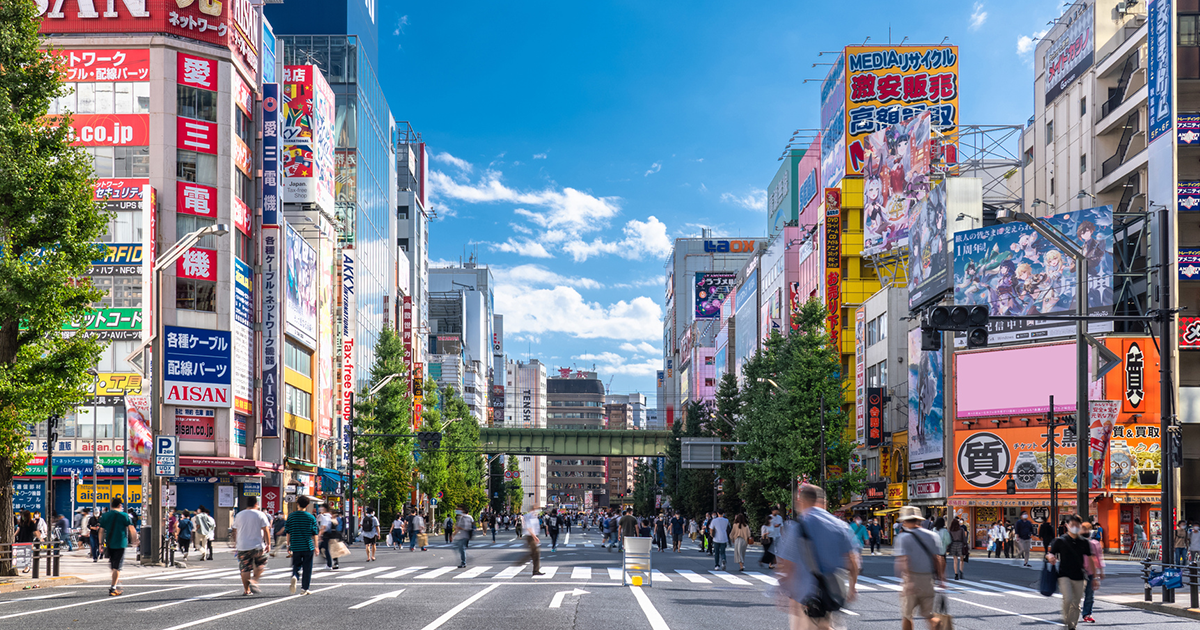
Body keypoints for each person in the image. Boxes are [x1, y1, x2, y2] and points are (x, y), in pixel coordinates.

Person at [776, 485, 860, 630]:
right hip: (830, 593)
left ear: (801, 501)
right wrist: (852, 587)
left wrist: (783, 589)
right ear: (821, 502)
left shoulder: (796, 527)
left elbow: (787, 565)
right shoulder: (840, 525)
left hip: (804, 597)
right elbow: (853, 561)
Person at [894, 506, 945, 630]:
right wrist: (942, 579)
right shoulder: (932, 535)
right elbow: (938, 558)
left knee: (907, 615)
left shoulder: (903, 537)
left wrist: (907, 580)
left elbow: (904, 560)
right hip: (928, 580)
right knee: (928, 614)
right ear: (919, 520)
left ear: (905, 521)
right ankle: (936, 623)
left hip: (911, 579)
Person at [1047, 514, 1092, 630]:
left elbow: (1091, 559)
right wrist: (1050, 557)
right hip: (1064, 575)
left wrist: (1095, 576)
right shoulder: (1060, 541)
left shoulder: (1084, 542)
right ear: (1067, 525)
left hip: (1080, 576)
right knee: (1068, 599)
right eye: (1072, 525)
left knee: (1076, 604)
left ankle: (1072, 626)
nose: (1075, 527)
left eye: (1077, 525)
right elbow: (1050, 553)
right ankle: (1066, 618)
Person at [231, 496, 272, 596]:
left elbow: (234, 530)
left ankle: (246, 590)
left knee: (245, 568)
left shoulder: (239, 515)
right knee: (262, 562)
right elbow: (266, 530)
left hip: (242, 546)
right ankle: (254, 580)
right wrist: (268, 544)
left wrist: (235, 543)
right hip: (257, 545)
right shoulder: (260, 514)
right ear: (256, 504)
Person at [98, 496, 137, 596]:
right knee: (117, 567)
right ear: (120, 505)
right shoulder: (124, 516)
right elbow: (131, 529)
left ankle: (115, 581)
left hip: (109, 543)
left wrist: (100, 544)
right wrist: (134, 541)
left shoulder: (105, 516)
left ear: (111, 506)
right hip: (120, 543)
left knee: (113, 565)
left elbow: (101, 531)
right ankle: (113, 587)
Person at [286, 496, 320, 595]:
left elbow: (288, 532)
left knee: (296, 564)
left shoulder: (291, 516)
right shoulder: (311, 517)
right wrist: (316, 547)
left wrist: (288, 545)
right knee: (307, 567)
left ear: (297, 504)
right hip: (307, 545)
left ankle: (295, 576)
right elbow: (315, 533)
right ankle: (304, 588)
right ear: (307, 505)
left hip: (295, 545)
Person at [1081, 517, 1105, 624]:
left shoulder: (1095, 543)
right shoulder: (1076, 543)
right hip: (1078, 572)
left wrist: (1101, 571)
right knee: (1076, 594)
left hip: (1091, 572)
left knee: (1090, 595)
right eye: (1083, 529)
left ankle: (1087, 614)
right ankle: (1074, 611)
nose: (1085, 531)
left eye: (1087, 529)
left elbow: (1099, 558)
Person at [520, 507, 545, 576]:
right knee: (536, 553)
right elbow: (529, 527)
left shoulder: (534, 516)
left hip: (532, 536)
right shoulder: (529, 516)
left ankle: (535, 570)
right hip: (531, 537)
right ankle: (535, 570)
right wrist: (535, 537)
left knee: (534, 553)